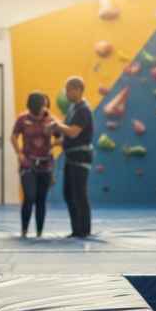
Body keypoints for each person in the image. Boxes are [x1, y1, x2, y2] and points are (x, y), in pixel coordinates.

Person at [52, 77, 93, 238]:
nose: (66, 94)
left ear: (78, 90)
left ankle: (84, 230)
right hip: (72, 155)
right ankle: (77, 229)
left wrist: (57, 125)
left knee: (79, 193)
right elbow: (68, 135)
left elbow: (73, 132)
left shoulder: (83, 110)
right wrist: (55, 141)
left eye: (68, 90)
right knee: (69, 193)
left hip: (80, 157)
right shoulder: (73, 109)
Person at [11, 92, 55, 238]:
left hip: (45, 164)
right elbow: (13, 136)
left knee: (41, 199)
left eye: (43, 106)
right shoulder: (22, 119)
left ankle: (39, 232)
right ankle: (24, 230)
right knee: (29, 197)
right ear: (31, 107)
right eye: (39, 106)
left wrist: (53, 142)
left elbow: (61, 138)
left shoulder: (51, 119)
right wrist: (20, 154)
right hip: (28, 164)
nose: (42, 109)